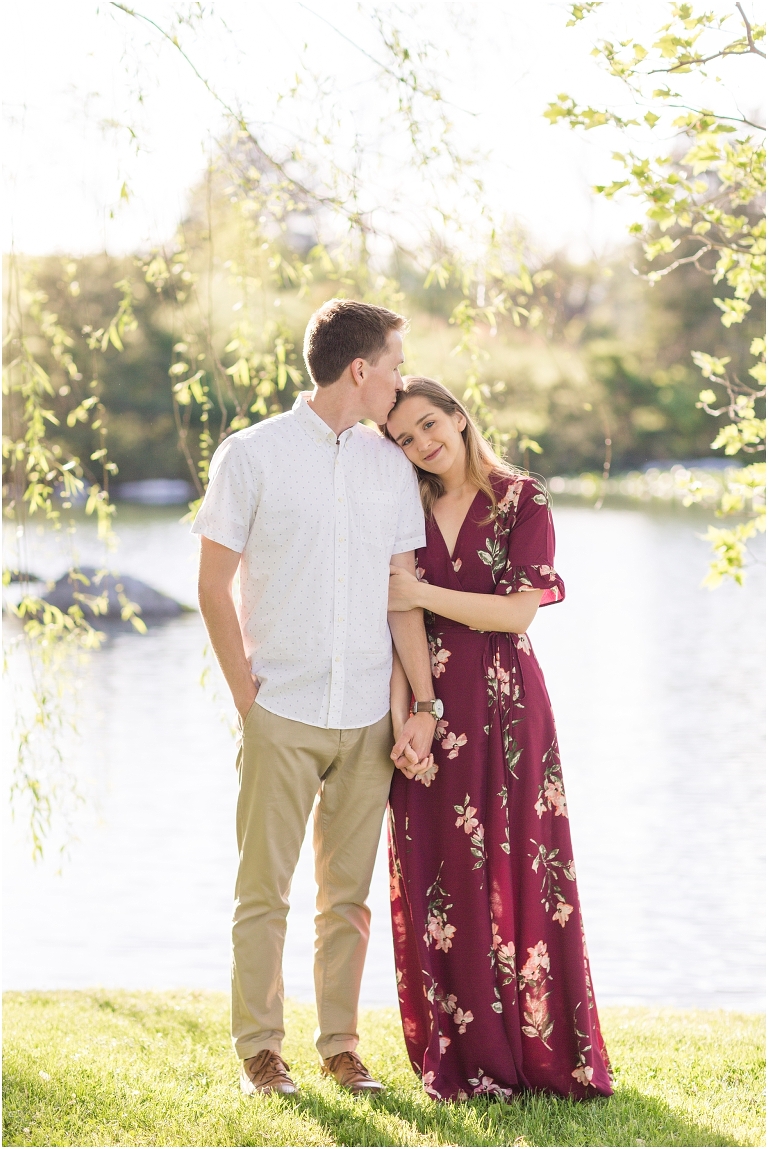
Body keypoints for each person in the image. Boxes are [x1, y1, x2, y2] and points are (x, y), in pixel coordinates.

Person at [192, 301, 439, 1097]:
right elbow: (211, 585)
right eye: (395, 364)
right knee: (263, 891)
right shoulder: (252, 455)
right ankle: (262, 1051)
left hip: (368, 714)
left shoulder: (391, 467)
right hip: (282, 711)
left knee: (349, 900)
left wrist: (413, 708)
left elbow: (402, 596)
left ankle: (340, 1046)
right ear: (360, 370)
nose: (401, 379)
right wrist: (246, 698)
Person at [384, 376, 613, 1101]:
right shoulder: (405, 508)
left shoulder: (522, 497)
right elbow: (397, 619)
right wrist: (410, 716)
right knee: (442, 872)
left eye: (428, 424)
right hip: (431, 705)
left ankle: (541, 1050)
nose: (423, 444)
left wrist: (419, 592)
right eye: (404, 438)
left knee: (518, 868)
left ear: (458, 414)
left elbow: (516, 615)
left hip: (508, 708)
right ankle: (467, 1053)